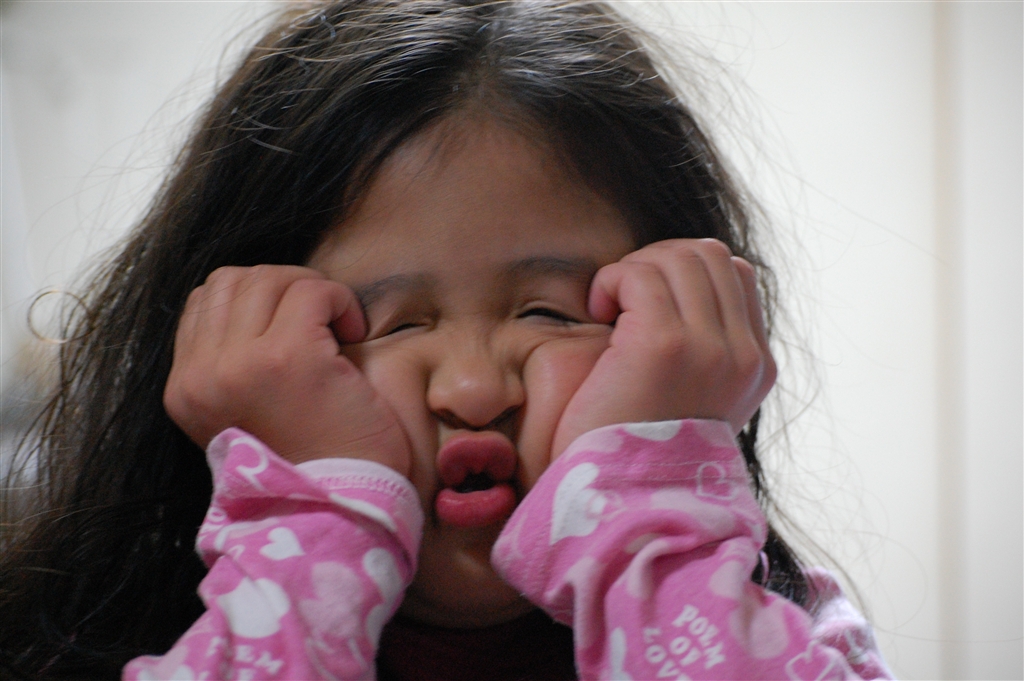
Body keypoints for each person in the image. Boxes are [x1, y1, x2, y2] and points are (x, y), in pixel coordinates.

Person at [0, 1, 893, 679]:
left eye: (549, 312)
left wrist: (643, 515)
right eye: (392, 323)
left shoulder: (790, 638)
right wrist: (314, 523)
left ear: (691, 340)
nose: (473, 388)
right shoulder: (84, 641)